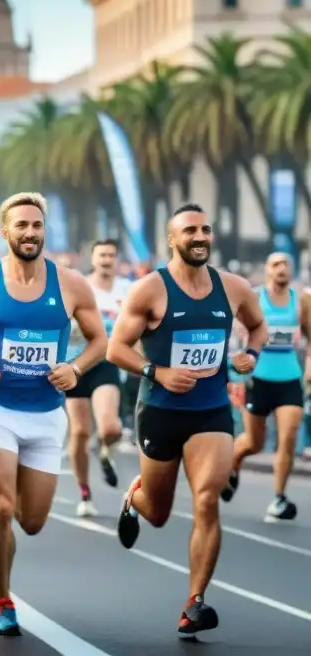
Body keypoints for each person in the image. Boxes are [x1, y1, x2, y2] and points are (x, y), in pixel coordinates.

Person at [0, 193, 105, 636]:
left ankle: (6, 564)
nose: (30, 232)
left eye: (36, 225)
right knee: (2, 506)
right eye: (21, 225)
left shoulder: (70, 284)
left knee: (31, 521)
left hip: (47, 414)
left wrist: (76, 367)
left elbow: (99, 340)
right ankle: (3, 599)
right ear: (5, 231)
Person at [107, 203, 266, 636]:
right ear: (172, 240)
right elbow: (115, 349)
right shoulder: (148, 291)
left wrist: (250, 353)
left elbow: (258, 326)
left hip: (211, 411)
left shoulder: (232, 288)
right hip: (159, 411)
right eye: (190, 231)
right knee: (157, 513)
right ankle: (134, 498)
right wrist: (157, 372)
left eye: (205, 230)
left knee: (206, 500)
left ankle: (195, 602)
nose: (200, 237)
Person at [222, 252, 303, 521]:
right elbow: (234, 333)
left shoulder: (300, 299)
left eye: (286, 264)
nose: (282, 269)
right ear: (267, 270)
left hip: (290, 377)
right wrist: (235, 369)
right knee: (254, 443)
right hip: (258, 379)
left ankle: (279, 498)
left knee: (288, 436)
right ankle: (233, 463)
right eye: (276, 264)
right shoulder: (254, 297)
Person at [64, 239, 131, 517]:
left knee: (110, 428)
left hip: (106, 363)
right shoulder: (81, 287)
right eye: (101, 255)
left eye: (111, 255)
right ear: (92, 259)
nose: (106, 260)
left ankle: (104, 453)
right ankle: (84, 492)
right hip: (77, 362)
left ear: (117, 260)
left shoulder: (127, 290)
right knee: (79, 431)